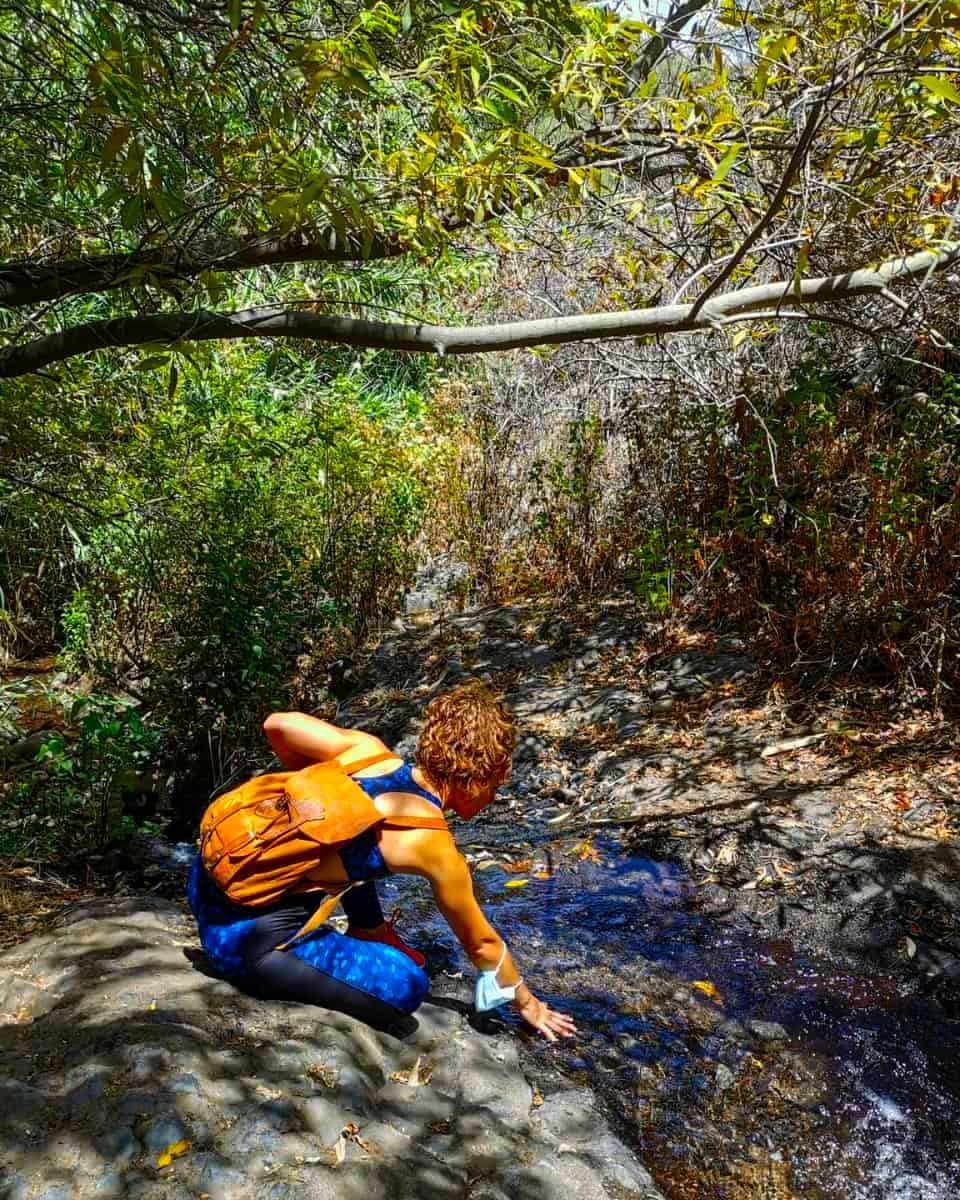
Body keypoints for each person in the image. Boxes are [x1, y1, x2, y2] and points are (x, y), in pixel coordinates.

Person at [188, 681, 577, 1042]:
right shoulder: (433, 847)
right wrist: (529, 1003)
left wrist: (311, 800)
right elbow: (482, 945)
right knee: (407, 986)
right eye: (494, 786)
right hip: (245, 947)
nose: (492, 797)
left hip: (205, 882)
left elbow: (278, 724)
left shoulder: (368, 751)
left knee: (357, 844)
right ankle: (334, 942)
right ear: (476, 779)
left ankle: (368, 930)